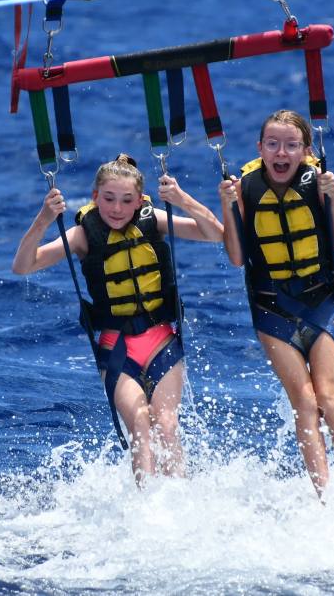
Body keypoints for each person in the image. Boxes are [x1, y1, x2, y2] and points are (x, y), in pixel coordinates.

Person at [13, 154, 223, 485]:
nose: (117, 208)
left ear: (139, 201)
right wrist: (43, 219)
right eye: (108, 198)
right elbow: (23, 266)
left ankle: (182, 501)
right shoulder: (83, 235)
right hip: (117, 348)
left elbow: (216, 234)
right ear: (95, 198)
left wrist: (181, 200)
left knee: (165, 423)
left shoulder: (153, 220)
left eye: (127, 200)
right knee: (140, 423)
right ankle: (146, 511)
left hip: (161, 340)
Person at [219, 109, 334, 496]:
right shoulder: (244, 189)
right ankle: (324, 496)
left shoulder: (318, 182)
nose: (281, 153)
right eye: (273, 144)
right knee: (304, 399)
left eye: (291, 145)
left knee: (330, 397)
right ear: (260, 148)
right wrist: (227, 207)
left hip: (321, 305)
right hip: (272, 311)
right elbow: (236, 257)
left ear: (305, 149)